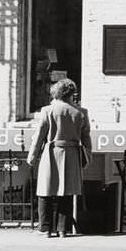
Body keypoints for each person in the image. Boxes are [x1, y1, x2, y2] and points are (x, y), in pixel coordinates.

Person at [27, 78, 92, 237]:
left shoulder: (47, 111)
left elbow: (40, 136)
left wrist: (32, 156)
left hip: (51, 152)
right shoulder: (81, 112)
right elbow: (86, 138)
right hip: (72, 153)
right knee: (67, 192)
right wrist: (87, 158)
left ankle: (45, 229)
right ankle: (63, 229)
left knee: (45, 191)